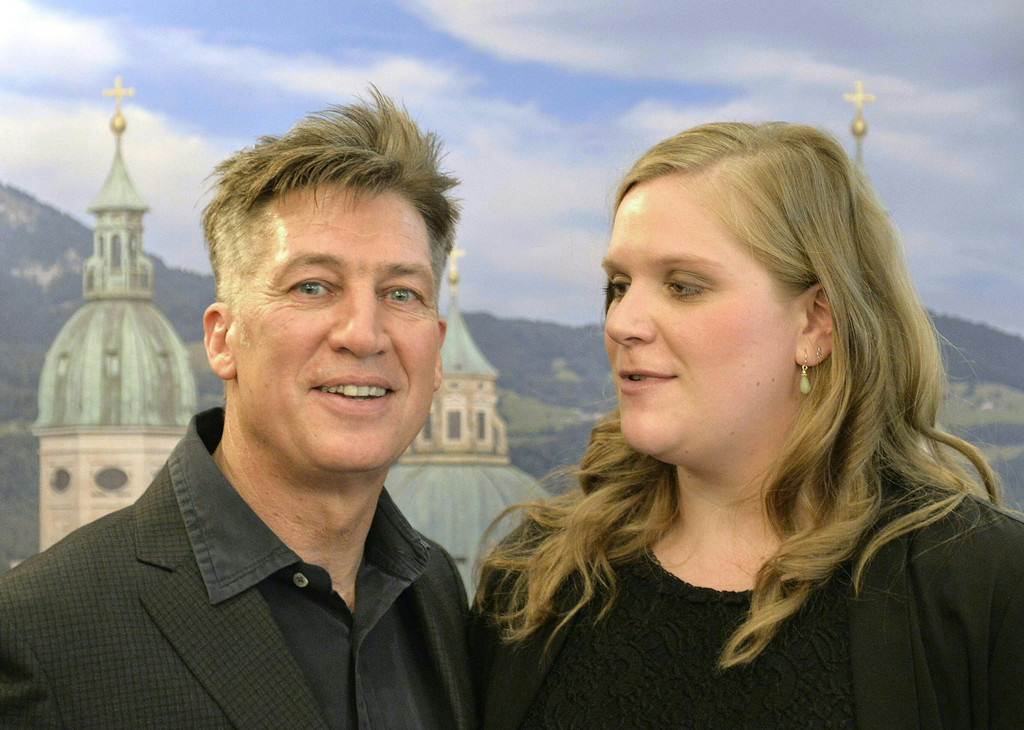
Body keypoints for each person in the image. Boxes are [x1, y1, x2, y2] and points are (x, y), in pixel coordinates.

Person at [470, 122, 1024, 729]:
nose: (621, 322)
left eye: (683, 286)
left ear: (815, 323)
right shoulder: (539, 578)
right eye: (619, 286)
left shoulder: (980, 587)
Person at [0, 90, 475, 729]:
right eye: (313, 286)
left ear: (436, 351)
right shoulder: (38, 632)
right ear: (223, 340)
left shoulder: (437, 593)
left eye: (401, 293)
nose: (363, 334)